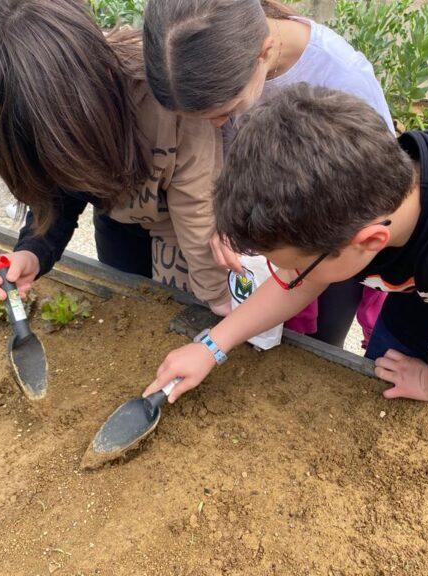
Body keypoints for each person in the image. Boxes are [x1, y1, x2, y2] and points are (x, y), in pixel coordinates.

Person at [143, 84, 428, 412]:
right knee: (395, 355)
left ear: (370, 240)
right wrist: (211, 346)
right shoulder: (373, 183)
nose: (284, 274)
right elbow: (299, 279)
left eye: (293, 267)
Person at [141, 0, 393, 348]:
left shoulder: (343, 79)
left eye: (226, 113)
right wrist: (227, 221)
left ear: (265, 51)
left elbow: (371, 204)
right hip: (257, 243)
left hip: (324, 253)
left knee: (311, 351)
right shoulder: (213, 74)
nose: (217, 126)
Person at [0, 0, 230, 316]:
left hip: (186, 227)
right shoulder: (33, 108)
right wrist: (31, 253)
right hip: (119, 224)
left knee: (196, 310)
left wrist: (219, 301)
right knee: (131, 306)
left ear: (100, 74)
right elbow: (56, 196)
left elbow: (196, 207)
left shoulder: (166, 91)